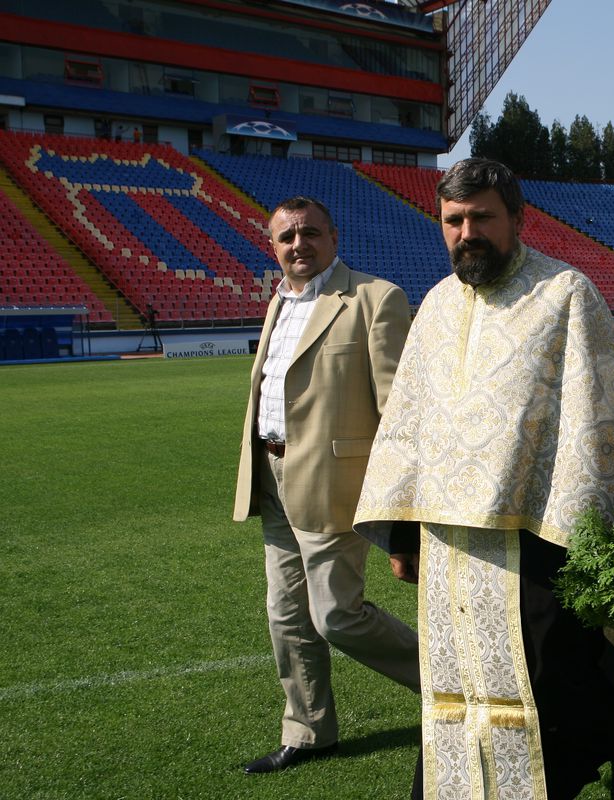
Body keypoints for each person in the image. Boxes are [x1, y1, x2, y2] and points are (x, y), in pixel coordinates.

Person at [353, 158, 614, 799]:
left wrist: (593, 529)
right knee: (457, 685)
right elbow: (409, 425)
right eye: (454, 220)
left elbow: (604, 418)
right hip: (449, 550)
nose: (468, 233)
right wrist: (403, 536)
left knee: (549, 685)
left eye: (482, 218)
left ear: (516, 219)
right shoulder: (435, 306)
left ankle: (608, 749)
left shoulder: (565, 293)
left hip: (538, 534)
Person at [232, 195, 419, 774]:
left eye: (310, 233)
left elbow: (399, 409)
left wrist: (404, 507)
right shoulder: (278, 302)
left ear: (333, 238)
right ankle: (309, 729)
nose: (298, 245)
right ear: (273, 246)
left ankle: (453, 684)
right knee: (286, 615)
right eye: (286, 237)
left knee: (336, 615)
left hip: (336, 481)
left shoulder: (374, 298)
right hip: (270, 475)